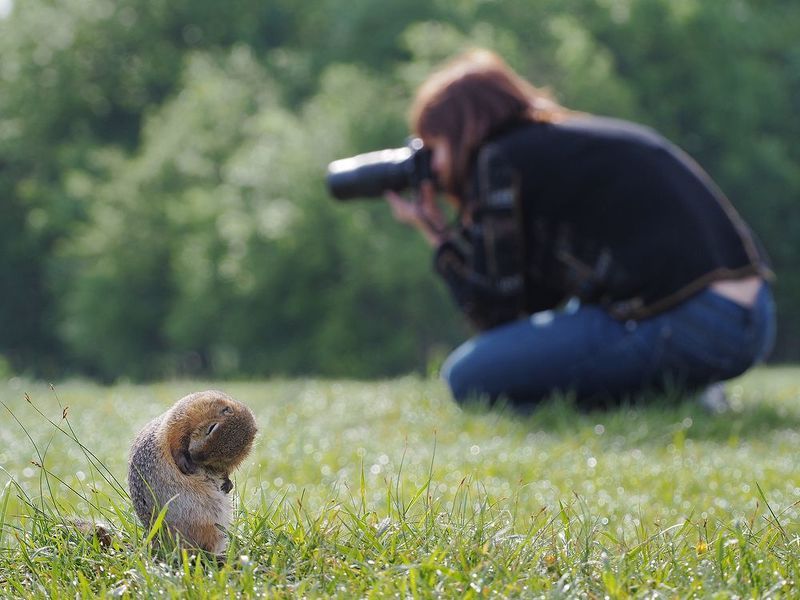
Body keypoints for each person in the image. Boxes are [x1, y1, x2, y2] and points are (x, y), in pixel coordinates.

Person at [385, 48, 776, 411]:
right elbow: (535, 305)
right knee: (566, 323)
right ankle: (681, 386)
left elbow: (497, 315)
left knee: (468, 375)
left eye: (433, 148)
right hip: (752, 319)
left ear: (464, 130)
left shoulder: (499, 160)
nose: (432, 168)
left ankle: (668, 391)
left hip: (692, 323)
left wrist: (439, 238)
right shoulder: (563, 144)